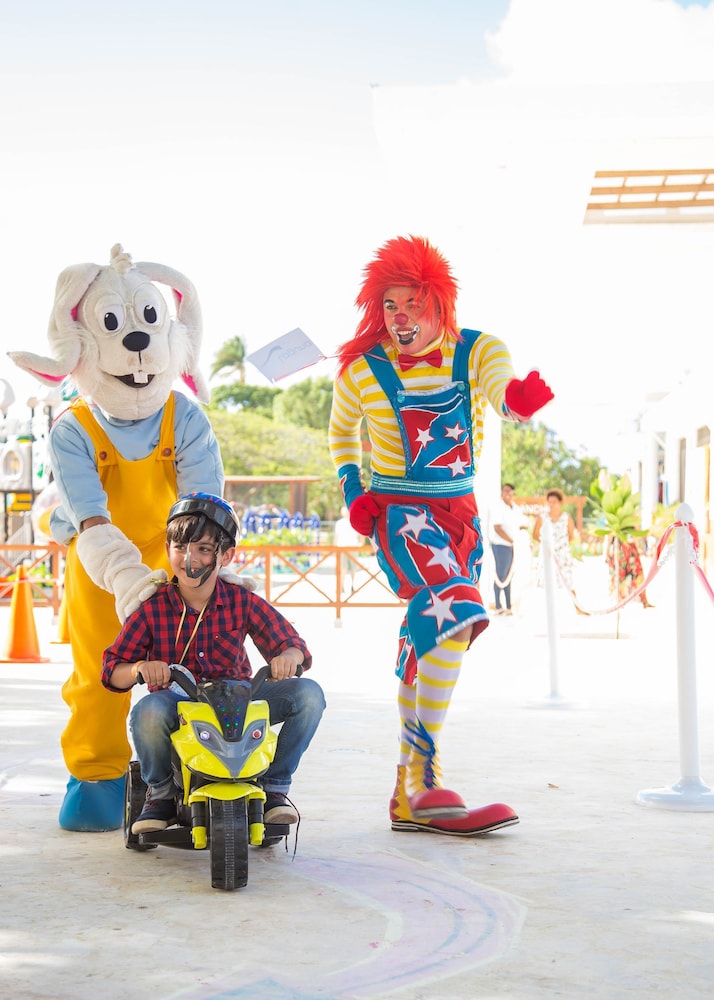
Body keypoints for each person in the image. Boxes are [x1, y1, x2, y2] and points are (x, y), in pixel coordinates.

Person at [328, 234, 553, 837]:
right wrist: (354, 491)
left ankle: (408, 792)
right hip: (400, 512)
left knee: (424, 640)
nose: (401, 318)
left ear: (439, 303)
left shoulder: (477, 349)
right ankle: (425, 780)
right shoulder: (361, 370)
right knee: (455, 614)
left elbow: (502, 394)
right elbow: (342, 435)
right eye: (391, 306)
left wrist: (519, 401)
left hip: (462, 516)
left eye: (413, 304)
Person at [102, 493, 326, 833]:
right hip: (180, 702)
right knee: (147, 711)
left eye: (204, 549)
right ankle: (160, 795)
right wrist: (138, 669)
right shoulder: (152, 608)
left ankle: (274, 788)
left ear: (226, 555)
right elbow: (112, 671)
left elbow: (294, 647)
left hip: (239, 697)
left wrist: (286, 659)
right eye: (180, 547)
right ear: (168, 549)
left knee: (309, 695)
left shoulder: (241, 601)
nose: (189, 559)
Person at [489, 483, 529, 615]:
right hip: (501, 544)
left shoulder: (516, 508)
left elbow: (521, 525)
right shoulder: (498, 507)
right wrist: (511, 540)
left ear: (513, 493)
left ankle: (508, 605)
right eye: (504, 491)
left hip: (513, 546)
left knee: (509, 575)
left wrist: (522, 539)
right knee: (501, 574)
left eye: (509, 491)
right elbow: (497, 528)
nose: (507, 494)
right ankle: (498, 606)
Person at [533, 489, 577, 597]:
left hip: (563, 555)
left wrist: (560, 545)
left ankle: (575, 604)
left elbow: (571, 536)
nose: (551, 504)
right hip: (547, 554)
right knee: (547, 582)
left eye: (554, 502)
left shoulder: (566, 517)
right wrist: (546, 544)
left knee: (568, 581)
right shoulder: (543, 517)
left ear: (560, 502)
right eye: (549, 502)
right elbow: (535, 535)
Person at [605, 534, 653, 607]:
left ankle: (642, 600)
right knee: (622, 575)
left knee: (636, 574)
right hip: (620, 548)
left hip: (626, 548)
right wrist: (607, 551)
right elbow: (610, 535)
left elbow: (637, 533)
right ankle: (620, 600)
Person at [333, 505, 364, 594]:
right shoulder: (339, 523)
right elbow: (336, 536)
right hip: (342, 548)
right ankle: (341, 586)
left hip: (352, 547)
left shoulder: (354, 521)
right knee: (343, 568)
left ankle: (352, 586)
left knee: (353, 568)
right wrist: (334, 548)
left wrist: (361, 544)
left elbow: (361, 533)